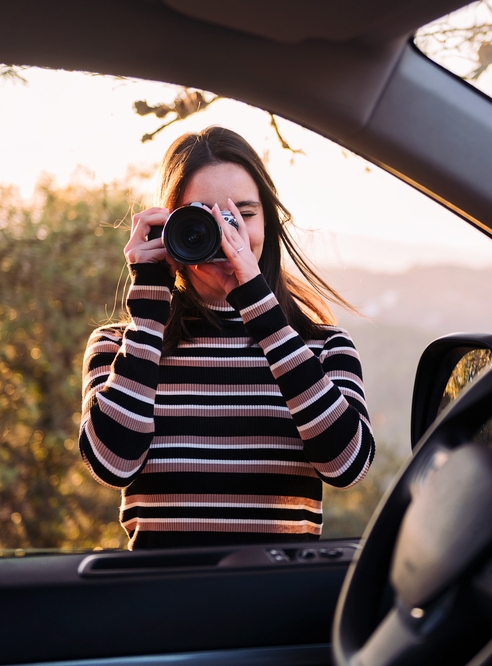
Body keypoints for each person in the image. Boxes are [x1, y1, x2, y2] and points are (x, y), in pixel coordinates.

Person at [78, 126, 375, 549]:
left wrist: (258, 303)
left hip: (275, 602)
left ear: (269, 223)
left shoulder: (324, 347)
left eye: (243, 215)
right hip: (160, 602)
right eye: (203, 217)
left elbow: (347, 466)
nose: (224, 235)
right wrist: (147, 313)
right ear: (170, 227)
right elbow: (112, 465)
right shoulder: (119, 346)